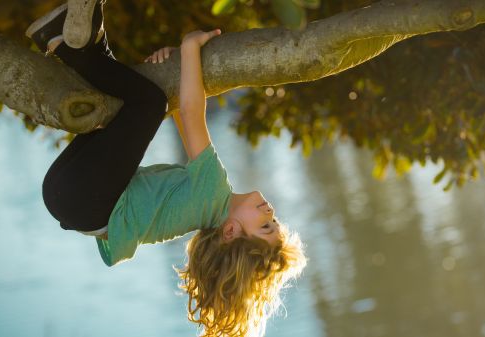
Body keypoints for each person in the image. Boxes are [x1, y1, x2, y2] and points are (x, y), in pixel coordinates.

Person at [28, 1, 306, 336]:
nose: (271, 213)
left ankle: (60, 45)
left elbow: (189, 113)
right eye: (275, 221)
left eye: (265, 225)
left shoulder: (212, 194)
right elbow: (180, 105)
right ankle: (87, 39)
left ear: (230, 232)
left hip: (85, 198)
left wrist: (189, 47)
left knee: (148, 105)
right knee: (127, 108)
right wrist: (175, 64)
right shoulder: (204, 206)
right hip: (71, 198)